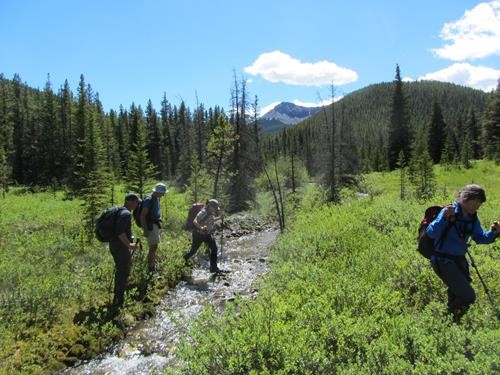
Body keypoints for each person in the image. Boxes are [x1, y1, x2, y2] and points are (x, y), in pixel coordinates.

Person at [426, 184, 499, 319]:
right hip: (443, 261)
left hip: (459, 261)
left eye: (480, 203)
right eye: (476, 201)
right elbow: (431, 233)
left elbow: (480, 238)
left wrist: (494, 233)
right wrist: (444, 218)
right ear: (465, 198)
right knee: (468, 295)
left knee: (456, 293)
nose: (478, 205)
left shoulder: (472, 218)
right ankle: (447, 317)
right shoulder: (449, 211)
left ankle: (452, 320)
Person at [109, 193, 140, 308]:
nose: (137, 204)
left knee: (121, 269)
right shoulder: (126, 213)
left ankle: (120, 296)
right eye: (136, 202)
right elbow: (120, 232)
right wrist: (130, 245)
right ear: (130, 202)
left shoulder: (120, 211)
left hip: (114, 245)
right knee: (122, 271)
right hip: (120, 246)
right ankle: (119, 300)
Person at [184, 199, 223, 273]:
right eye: (215, 208)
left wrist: (219, 218)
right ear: (210, 206)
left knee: (214, 249)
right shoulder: (203, 212)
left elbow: (211, 219)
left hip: (207, 234)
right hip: (198, 234)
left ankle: (213, 268)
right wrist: (201, 228)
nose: (216, 210)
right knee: (193, 251)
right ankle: (184, 259)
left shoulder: (211, 212)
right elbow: (195, 221)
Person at [141, 182, 167, 273]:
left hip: (154, 224)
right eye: (162, 193)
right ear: (157, 192)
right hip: (150, 226)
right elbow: (142, 216)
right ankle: (151, 268)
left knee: (154, 246)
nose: (163, 195)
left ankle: (152, 265)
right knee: (153, 246)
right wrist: (145, 230)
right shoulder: (149, 200)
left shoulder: (156, 198)